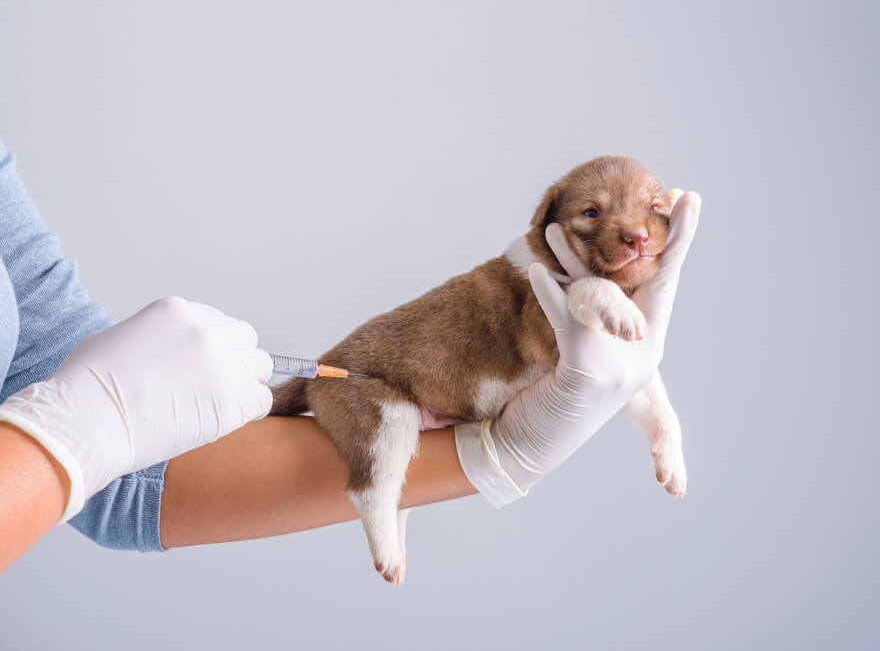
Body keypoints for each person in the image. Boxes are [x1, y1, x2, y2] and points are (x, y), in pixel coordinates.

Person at [0, 136, 701, 571]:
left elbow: (120, 487)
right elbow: (75, 448)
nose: (628, 231)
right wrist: (72, 432)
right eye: (591, 214)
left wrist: (490, 457)